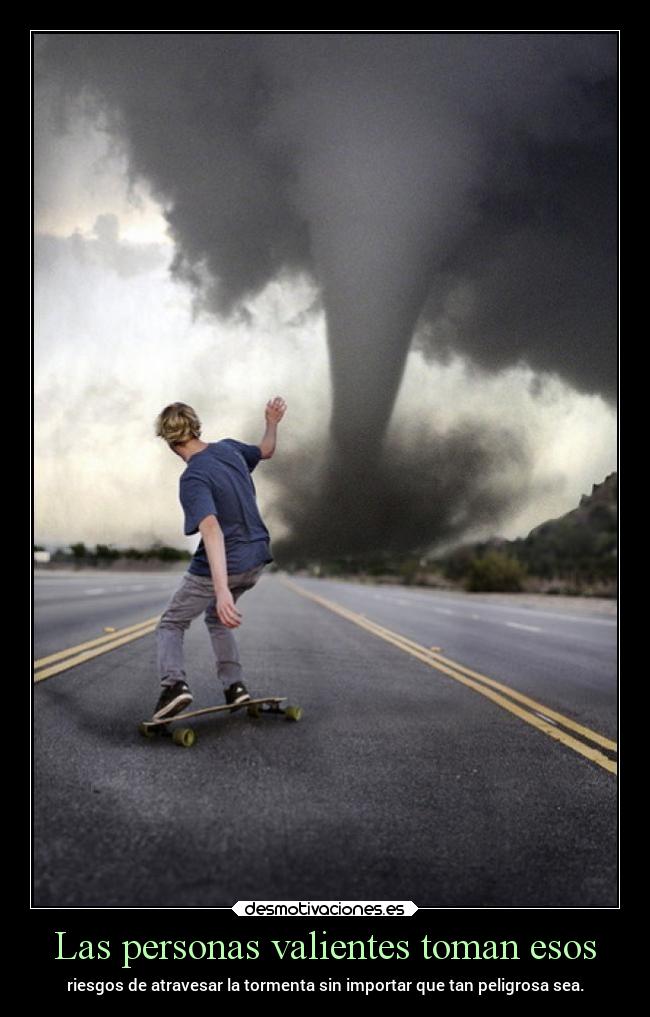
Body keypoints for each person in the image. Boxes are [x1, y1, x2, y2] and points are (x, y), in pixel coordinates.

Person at [151, 397, 287, 720]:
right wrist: (271, 422)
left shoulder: (193, 477)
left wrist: (222, 588)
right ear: (196, 427)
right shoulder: (228, 449)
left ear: (169, 442)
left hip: (228, 561)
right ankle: (235, 687)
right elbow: (266, 450)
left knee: (171, 623)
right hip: (257, 557)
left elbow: (211, 529)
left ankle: (174, 686)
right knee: (216, 617)